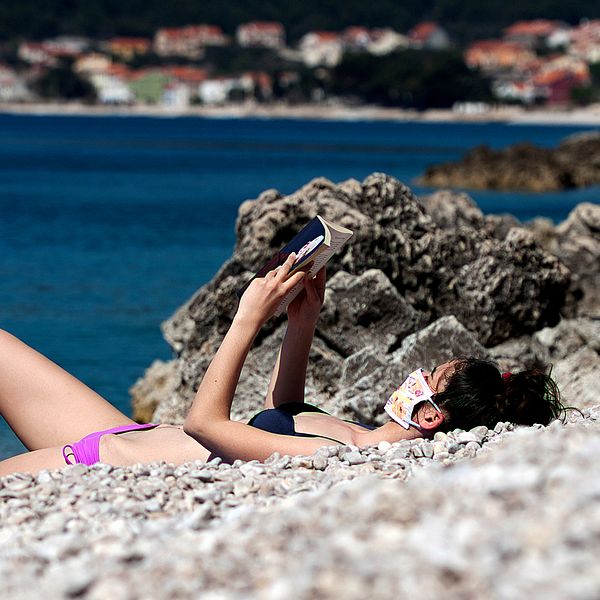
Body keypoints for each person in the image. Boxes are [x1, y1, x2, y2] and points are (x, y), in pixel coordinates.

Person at [0, 253, 564, 476]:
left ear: (431, 414)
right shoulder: (359, 434)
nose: (411, 375)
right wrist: (302, 319)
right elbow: (284, 410)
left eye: (428, 377)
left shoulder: (344, 455)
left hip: (89, 463)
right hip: (126, 434)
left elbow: (206, 427)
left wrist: (246, 319)